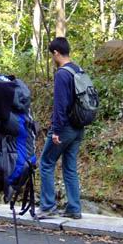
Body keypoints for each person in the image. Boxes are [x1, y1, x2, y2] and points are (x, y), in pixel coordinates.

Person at [38, 36, 85, 220]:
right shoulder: (78, 70)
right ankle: (74, 208)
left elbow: (60, 105)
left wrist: (56, 130)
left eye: (52, 55)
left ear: (56, 53)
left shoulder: (62, 74)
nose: (52, 58)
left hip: (64, 128)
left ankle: (48, 207)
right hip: (78, 127)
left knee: (46, 163)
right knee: (70, 167)